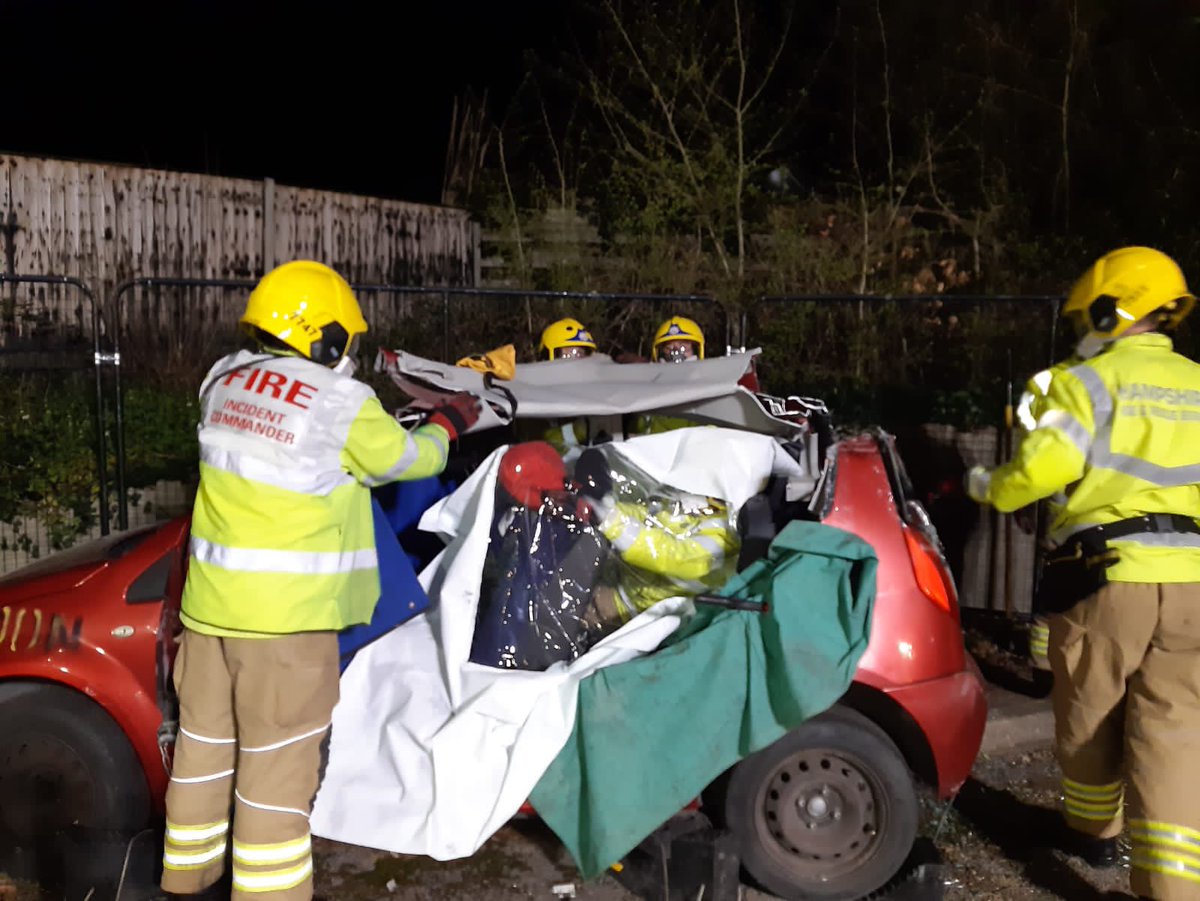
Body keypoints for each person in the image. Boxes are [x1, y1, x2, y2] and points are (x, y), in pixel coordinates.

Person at [160, 260, 481, 900]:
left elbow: (294, 440)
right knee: (275, 777)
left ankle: (186, 883)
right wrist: (451, 421)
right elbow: (404, 460)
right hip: (285, 628)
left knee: (202, 752)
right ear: (326, 339)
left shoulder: (221, 381)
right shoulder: (340, 401)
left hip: (207, 618)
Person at [965, 246, 1200, 899]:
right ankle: (1175, 891)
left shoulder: (1085, 382)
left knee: (1091, 714)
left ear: (1108, 309)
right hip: (1193, 582)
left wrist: (992, 485)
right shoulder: (1199, 382)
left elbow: (1042, 472)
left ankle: (1094, 835)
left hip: (1107, 575)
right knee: (1177, 734)